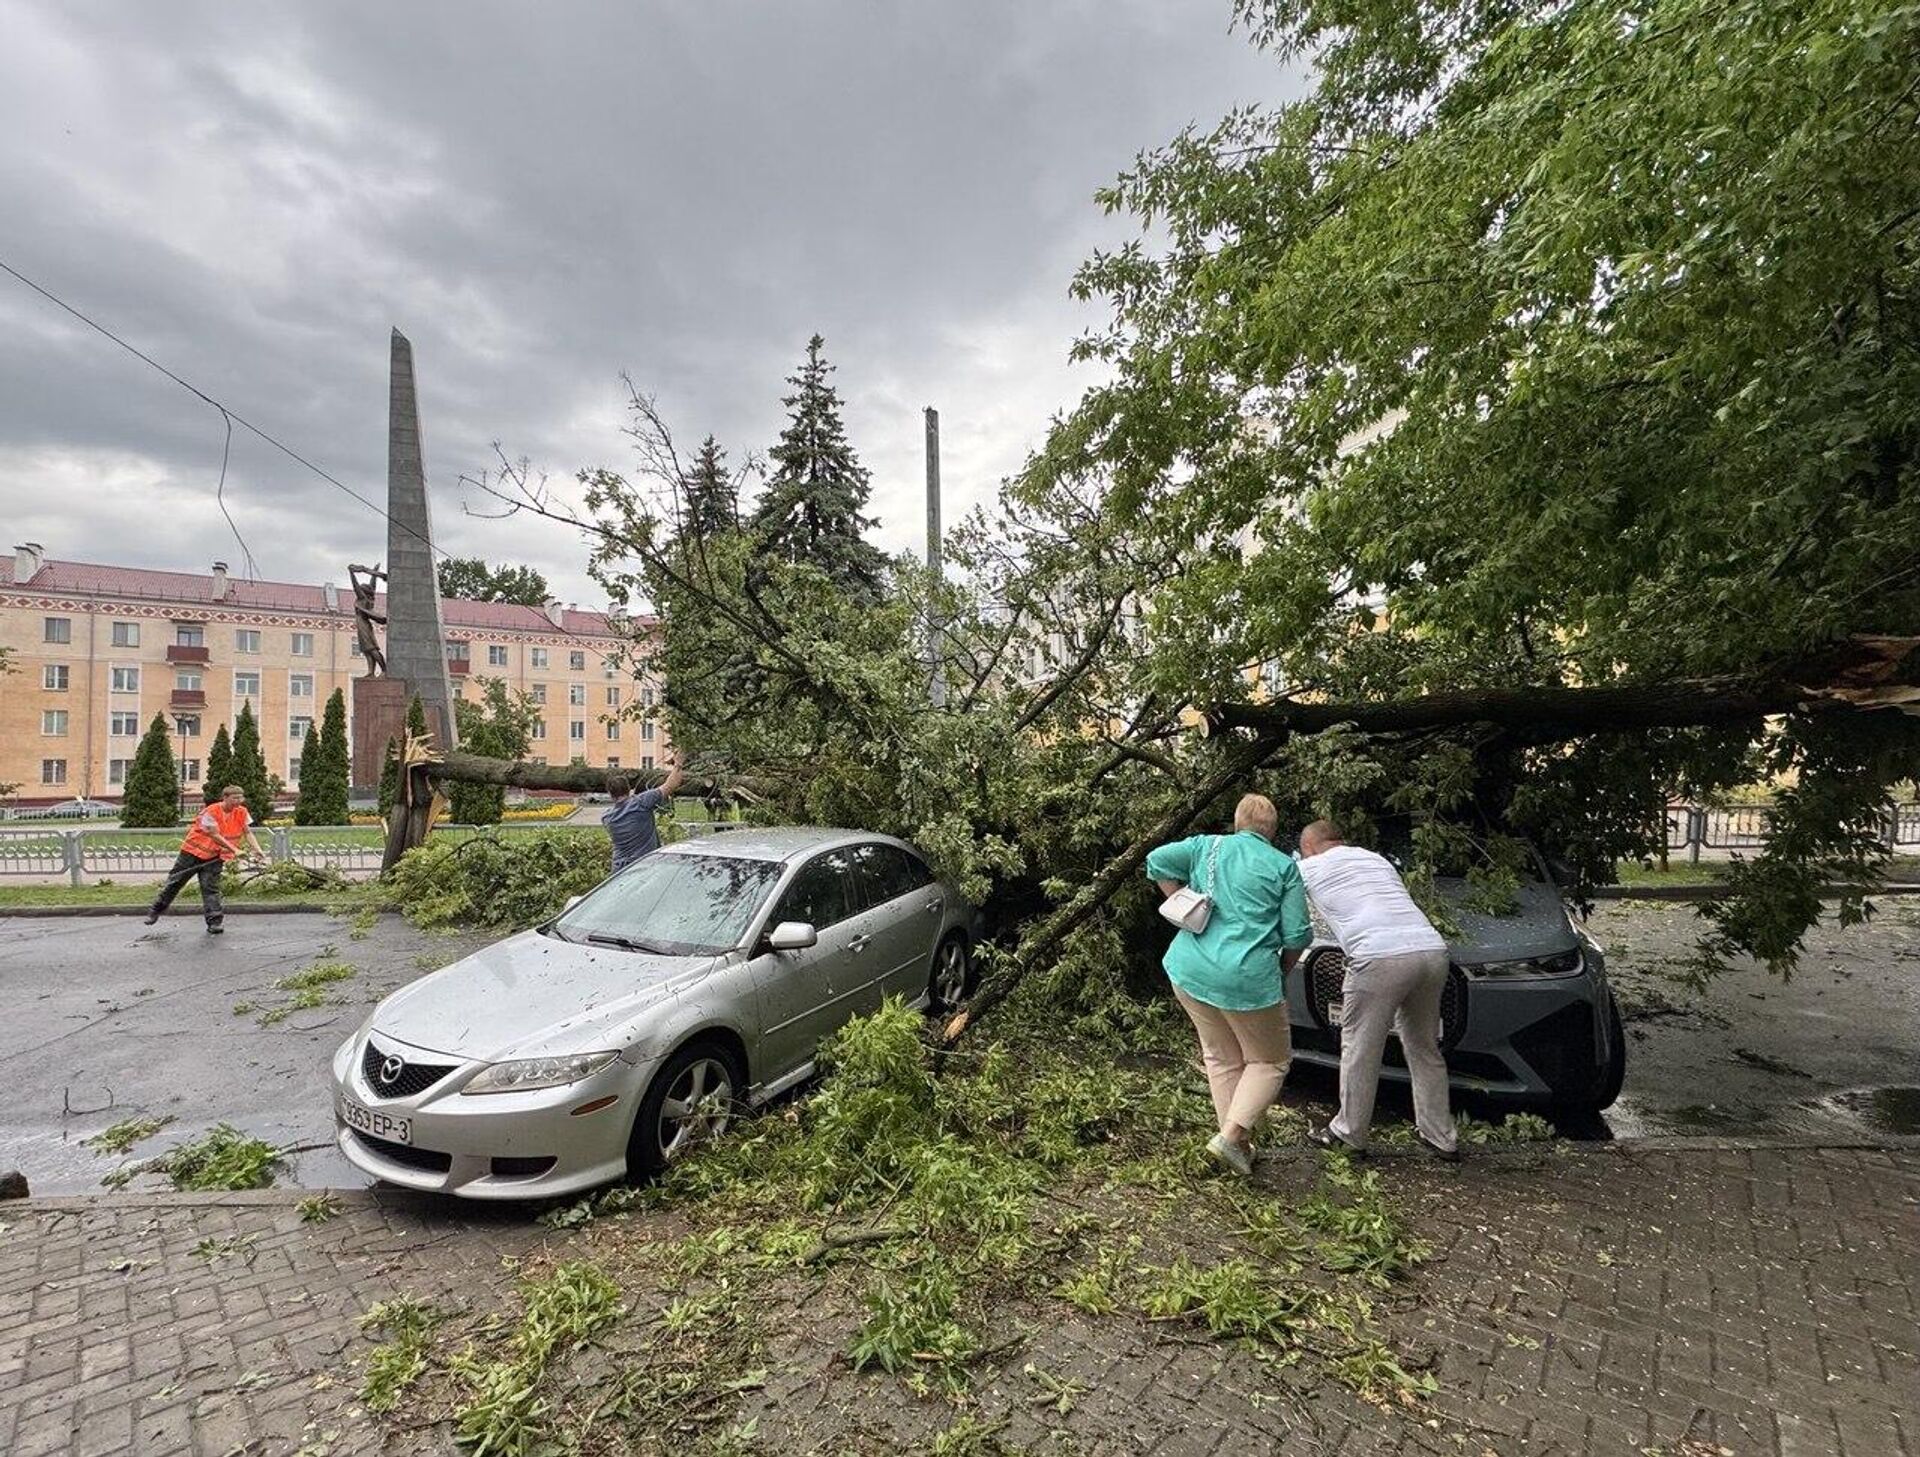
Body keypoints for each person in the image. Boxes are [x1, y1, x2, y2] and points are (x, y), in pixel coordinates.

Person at [1145, 793, 1312, 1176]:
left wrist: (1184, 904)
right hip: (1248, 979)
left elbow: (1156, 861)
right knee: (1270, 1060)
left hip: (1189, 970)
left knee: (1221, 1058)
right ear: (1271, 831)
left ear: (1237, 823)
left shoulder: (1207, 846)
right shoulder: (1283, 867)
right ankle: (1232, 1135)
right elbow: (1298, 935)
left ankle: (1236, 1146)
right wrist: (1281, 972)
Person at [1294, 819, 1459, 1160]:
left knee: (1360, 1047)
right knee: (1424, 1046)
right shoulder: (1375, 859)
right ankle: (1441, 1136)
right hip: (1431, 951)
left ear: (1308, 846)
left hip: (1378, 956)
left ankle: (1349, 1133)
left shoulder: (1308, 867)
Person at [144, 783, 265, 934]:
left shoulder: (241, 812)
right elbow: (214, 834)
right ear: (225, 798)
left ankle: (214, 923)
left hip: (214, 856)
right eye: (235, 798)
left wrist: (257, 849)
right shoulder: (211, 811)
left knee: (211, 889)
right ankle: (155, 911)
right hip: (192, 853)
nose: (239, 801)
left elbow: (247, 832)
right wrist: (235, 849)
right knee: (175, 882)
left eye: (241, 797)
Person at [602, 754, 686, 874]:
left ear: (610, 794)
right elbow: (671, 784)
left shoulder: (606, 817)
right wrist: (678, 763)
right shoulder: (641, 803)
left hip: (618, 872)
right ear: (628, 788)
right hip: (643, 868)